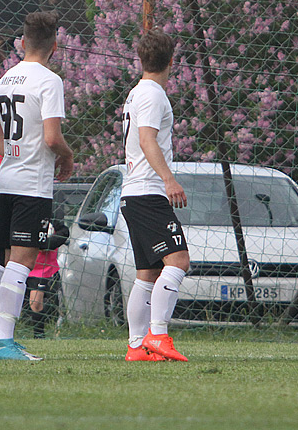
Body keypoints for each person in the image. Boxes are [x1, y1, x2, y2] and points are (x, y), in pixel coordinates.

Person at [0, 11, 73, 361]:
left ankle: (0, 338)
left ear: (22, 43)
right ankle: (3, 343)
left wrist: (16, 153)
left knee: (6, 262)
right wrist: (67, 156)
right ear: (54, 45)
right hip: (32, 185)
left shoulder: (7, 77)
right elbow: (52, 137)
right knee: (23, 263)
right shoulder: (49, 81)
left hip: (7, 180)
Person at [120, 31, 189, 362]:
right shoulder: (153, 95)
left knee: (147, 273)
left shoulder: (136, 93)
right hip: (147, 191)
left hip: (133, 193)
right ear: (171, 62)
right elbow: (147, 139)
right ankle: (158, 335)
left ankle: (137, 346)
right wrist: (169, 179)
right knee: (178, 261)